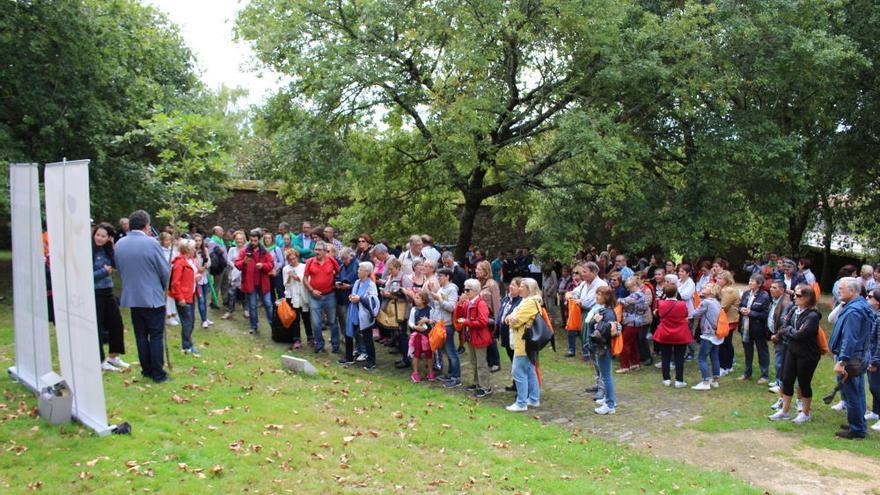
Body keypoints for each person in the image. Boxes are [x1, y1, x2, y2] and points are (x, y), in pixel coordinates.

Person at [114, 210, 171, 383]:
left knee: (140, 335)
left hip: (132, 297)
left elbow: (119, 267)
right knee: (155, 335)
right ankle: (158, 373)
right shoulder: (151, 243)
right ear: (146, 226)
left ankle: (146, 369)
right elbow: (164, 271)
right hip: (152, 297)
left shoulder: (120, 244)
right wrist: (163, 288)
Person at [768, 284, 822, 424]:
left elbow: (801, 334)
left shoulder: (812, 315)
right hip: (792, 350)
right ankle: (784, 411)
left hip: (807, 354)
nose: (795, 298)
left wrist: (789, 330)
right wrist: (790, 330)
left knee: (804, 382)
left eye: (798, 296)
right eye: (794, 295)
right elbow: (784, 324)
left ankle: (805, 413)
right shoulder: (793, 309)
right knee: (787, 379)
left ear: (807, 298)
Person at [829, 277, 874, 439]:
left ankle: (857, 429)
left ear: (852, 291)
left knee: (852, 394)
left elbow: (850, 338)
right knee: (858, 392)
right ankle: (858, 423)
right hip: (860, 356)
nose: (838, 291)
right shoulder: (861, 305)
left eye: (841, 289)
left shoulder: (854, 311)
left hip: (852, 359)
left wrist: (842, 361)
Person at [92, 222, 129, 372]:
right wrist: (103, 272)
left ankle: (114, 356)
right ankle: (100, 359)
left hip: (108, 291)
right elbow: (85, 275)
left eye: (103, 236)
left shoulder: (107, 250)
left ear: (108, 238)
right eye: (97, 235)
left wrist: (112, 248)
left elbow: (115, 265)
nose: (99, 238)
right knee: (98, 327)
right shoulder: (89, 251)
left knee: (116, 324)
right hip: (96, 292)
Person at [503, 278, 543, 412]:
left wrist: (510, 319)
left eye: (522, 286)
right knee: (529, 370)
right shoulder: (527, 302)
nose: (519, 288)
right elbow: (511, 317)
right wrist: (511, 318)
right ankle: (533, 398)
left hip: (523, 342)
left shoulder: (530, 303)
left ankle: (521, 403)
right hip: (525, 341)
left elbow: (515, 320)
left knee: (518, 371)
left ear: (528, 289)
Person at [455, 278, 492, 397]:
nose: (465, 292)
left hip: (480, 337)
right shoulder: (468, 302)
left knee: (481, 363)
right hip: (471, 337)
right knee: (474, 362)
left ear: (475, 291)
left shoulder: (480, 303)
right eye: (464, 289)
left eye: (467, 290)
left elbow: (483, 321)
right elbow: (459, 315)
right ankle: (477, 383)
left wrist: (467, 322)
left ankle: (485, 386)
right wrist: (460, 304)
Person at [585, 286, 620, 414]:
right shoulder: (603, 310)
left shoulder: (608, 313)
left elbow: (611, 331)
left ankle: (610, 404)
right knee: (605, 374)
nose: (596, 297)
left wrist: (598, 322)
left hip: (603, 347)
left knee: (606, 376)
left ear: (606, 297)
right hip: (599, 347)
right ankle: (608, 398)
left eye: (599, 295)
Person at [303, 241, 341, 353]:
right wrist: (311, 290)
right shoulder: (310, 262)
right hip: (314, 296)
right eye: (316, 249)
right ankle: (319, 344)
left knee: (332, 321)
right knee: (316, 322)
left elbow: (339, 271)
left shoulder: (331, 260)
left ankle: (335, 344)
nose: (317, 252)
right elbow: (305, 278)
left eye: (320, 250)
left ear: (325, 252)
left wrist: (335, 280)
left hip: (330, 295)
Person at [235, 229, 275, 335]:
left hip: (263, 283)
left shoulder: (265, 251)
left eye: (255, 240)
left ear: (259, 240)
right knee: (252, 306)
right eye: (251, 240)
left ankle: (273, 325)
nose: (253, 243)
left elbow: (271, 264)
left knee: (268, 304)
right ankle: (253, 326)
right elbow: (237, 264)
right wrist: (244, 262)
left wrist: (263, 266)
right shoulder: (245, 251)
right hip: (250, 283)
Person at [341, 261, 379, 369]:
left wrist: (360, 299)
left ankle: (371, 361)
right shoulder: (357, 282)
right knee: (348, 334)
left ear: (367, 272)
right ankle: (348, 357)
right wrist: (352, 297)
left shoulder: (371, 285)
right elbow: (354, 293)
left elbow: (373, 300)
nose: (358, 271)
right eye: (358, 269)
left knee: (367, 338)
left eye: (360, 269)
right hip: (354, 312)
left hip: (364, 315)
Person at [654, 284, 692, 388]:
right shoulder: (682, 304)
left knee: (665, 357)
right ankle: (679, 380)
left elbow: (659, 315)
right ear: (676, 293)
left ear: (665, 293)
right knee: (679, 358)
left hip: (665, 333)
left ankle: (666, 379)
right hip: (680, 334)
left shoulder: (660, 303)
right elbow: (685, 315)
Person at [169, 239, 201, 357]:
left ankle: (188, 344)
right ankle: (186, 347)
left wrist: (195, 277)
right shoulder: (179, 263)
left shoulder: (190, 260)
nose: (195, 250)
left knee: (191, 321)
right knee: (187, 322)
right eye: (193, 248)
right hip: (183, 297)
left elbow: (188, 277)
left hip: (191, 294)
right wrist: (180, 298)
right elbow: (175, 283)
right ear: (187, 249)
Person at [688, 283, 722, 390]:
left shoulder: (706, 302)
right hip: (716, 334)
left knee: (702, 357)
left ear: (712, 291)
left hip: (708, 334)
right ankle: (715, 380)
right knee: (714, 356)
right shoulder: (717, 302)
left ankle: (706, 381)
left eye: (707, 287)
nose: (704, 288)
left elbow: (695, 314)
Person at [430, 267, 460, 387]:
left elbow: (451, 307)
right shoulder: (441, 289)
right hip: (439, 324)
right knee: (445, 351)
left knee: (451, 352)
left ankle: (456, 377)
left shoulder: (452, 289)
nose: (438, 278)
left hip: (447, 325)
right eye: (438, 276)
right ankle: (450, 373)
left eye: (440, 276)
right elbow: (437, 306)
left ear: (447, 277)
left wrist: (439, 299)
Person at [739, 273, 771, 384]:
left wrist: (751, 313)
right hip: (745, 327)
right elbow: (740, 305)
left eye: (753, 281)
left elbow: (765, 314)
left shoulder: (764, 296)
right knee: (748, 351)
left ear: (759, 284)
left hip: (758, 329)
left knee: (762, 351)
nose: (750, 283)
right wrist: (741, 309)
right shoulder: (746, 293)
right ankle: (747, 373)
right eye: (750, 280)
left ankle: (765, 375)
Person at [617, 276, 651, 372]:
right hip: (636, 322)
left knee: (625, 343)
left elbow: (622, 301)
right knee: (633, 344)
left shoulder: (637, 295)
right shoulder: (639, 294)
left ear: (635, 285)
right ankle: (635, 363)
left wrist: (620, 300)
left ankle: (625, 366)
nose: (628, 289)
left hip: (632, 322)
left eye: (629, 287)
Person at [497, 278, 524, 392]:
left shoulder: (521, 301)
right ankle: (515, 383)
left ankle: (521, 387)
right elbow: (501, 313)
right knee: (512, 360)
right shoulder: (507, 299)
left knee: (517, 362)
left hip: (515, 336)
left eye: (514, 285)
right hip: (506, 335)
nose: (511, 287)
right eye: (511, 285)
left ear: (520, 288)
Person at [282, 249, 313, 349]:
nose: (292, 261)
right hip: (291, 296)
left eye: (294, 259)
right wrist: (290, 277)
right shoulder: (286, 269)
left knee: (306, 317)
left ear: (297, 257)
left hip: (303, 295)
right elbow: (285, 284)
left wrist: (297, 277)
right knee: (295, 318)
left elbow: (308, 279)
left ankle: (310, 337)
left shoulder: (304, 267)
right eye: (290, 260)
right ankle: (296, 339)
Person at [476, 260, 502, 372]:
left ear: (486, 271)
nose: (476, 271)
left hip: (490, 316)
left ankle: (496, 362)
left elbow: (497, 303)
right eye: (476, 269)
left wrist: (497, 321)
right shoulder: (478, 283)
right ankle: (489, 361)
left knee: (491, 340)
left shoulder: (492, 284)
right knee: (485, 339)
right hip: (480, 315)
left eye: (479, 269)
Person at [767, 280, 792, 394]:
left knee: (780, 360)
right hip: (776, 334)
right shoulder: (776, 300)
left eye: (774, 287)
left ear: (782, 290)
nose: (771, 289)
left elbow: (784, 323)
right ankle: (778, 381)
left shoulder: (785, 302)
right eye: (771, 287)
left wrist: (777, 335)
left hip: (781, 337)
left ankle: (780, 383)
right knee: (778, 359)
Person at [715, 270, 740, 376]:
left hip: (728, 320)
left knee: (724, 344)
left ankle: (724, 366)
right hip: (728, 320)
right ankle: (728, 365)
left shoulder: (728, 290)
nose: (717, 280)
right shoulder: (725, 289)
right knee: (727, 343)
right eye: (717, 278)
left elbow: (723, 307)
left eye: (720, 278)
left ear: (726, 280)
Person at [407, 290, 435, 381]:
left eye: (417, 298)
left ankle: (430, 372)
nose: (415, 299)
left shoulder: (430, 309)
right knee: (416, 353)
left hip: (427, 336)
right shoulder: (413, 309)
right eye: (415, 297)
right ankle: (415, 372)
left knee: (429, 354)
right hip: (418, 335)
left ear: (423, 300)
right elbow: (410, 322)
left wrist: (427, 321)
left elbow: (434, 322)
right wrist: (415, 327)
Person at [222, 231, 246, 320]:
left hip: (244, 274)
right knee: (231, 293)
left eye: (241, 239)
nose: (239, 241)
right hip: (234, 274)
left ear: (244, 240)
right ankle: (230, 311)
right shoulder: (232, 249)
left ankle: (246, 310)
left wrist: (241, 267)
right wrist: (236, 266)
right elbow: (228, 260)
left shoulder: (246, 249)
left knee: (244, 293)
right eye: (237, 239)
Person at [158, 232, 180, 326]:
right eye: (166, 240)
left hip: (173, 275)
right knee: (167, 296)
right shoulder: (160, 251)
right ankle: (168, 316)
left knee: (173, 296)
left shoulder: (173, 250)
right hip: (165, 276)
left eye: (169, 240)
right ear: (162, 241)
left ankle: (174, 314)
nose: (168, 242)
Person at [192, 234, 214, 329]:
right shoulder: (191, 251)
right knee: (200, 300)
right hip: (197, 278)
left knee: (205, 299)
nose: (198, 242)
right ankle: (204, 320)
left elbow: (209, 262)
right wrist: (198, 269)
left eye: (199, 240)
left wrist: (204, 266)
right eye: (196, 240)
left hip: (204, 277)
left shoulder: (205, 250)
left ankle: (205, 317)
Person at [866, 288, 880, 431]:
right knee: (873, 385)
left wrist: (875, 361)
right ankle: (875, 412)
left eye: (870, 297)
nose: (867, 299)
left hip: (877, 359)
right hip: (872, 356)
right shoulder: (874, 315)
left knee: (876, 387)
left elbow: (879, 343)